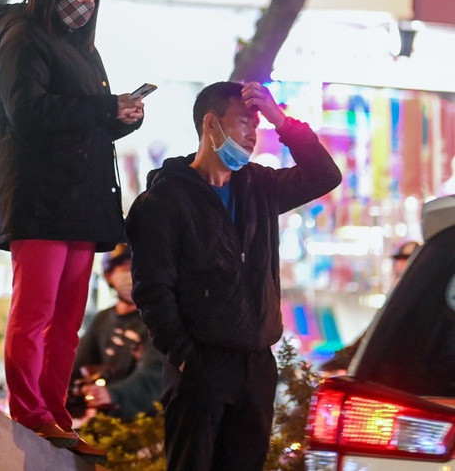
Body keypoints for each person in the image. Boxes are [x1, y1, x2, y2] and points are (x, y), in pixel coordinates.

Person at [126, 81, 342, 471]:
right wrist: (187, 358)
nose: (252, 135)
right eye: (245, 122)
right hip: (200, 368)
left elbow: (325, 175)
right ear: (211, 124)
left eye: (257, 127)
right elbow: (153, 291)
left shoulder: (259, 187)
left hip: (256, 366)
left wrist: (283, 121)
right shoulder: (162, 202)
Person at [0, 0, 145, 459]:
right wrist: (103, 107)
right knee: (34, 313)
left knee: (68, 321)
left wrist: (118, 118)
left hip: (81, 200)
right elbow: (28, 113)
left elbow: (83, 123)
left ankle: (55, 413)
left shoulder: (84, 48)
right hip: (39, 198)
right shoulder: (22, 37)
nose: (88, 2)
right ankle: (28, 411)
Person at [70, 244, 164, 422]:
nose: (131, 274)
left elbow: (154, 373)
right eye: (124, 267)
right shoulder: (103, 319)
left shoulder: (156, 319)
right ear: (108, 275)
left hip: (145, 421)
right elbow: (77, 364)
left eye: (136, 266)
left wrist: (113, 394)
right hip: (104, 418)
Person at [318, 239, 420, 373]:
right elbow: (369, 338)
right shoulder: (396, 301)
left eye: (406, 258)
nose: (400, 264)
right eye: (399, 259)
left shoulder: (413, 303)